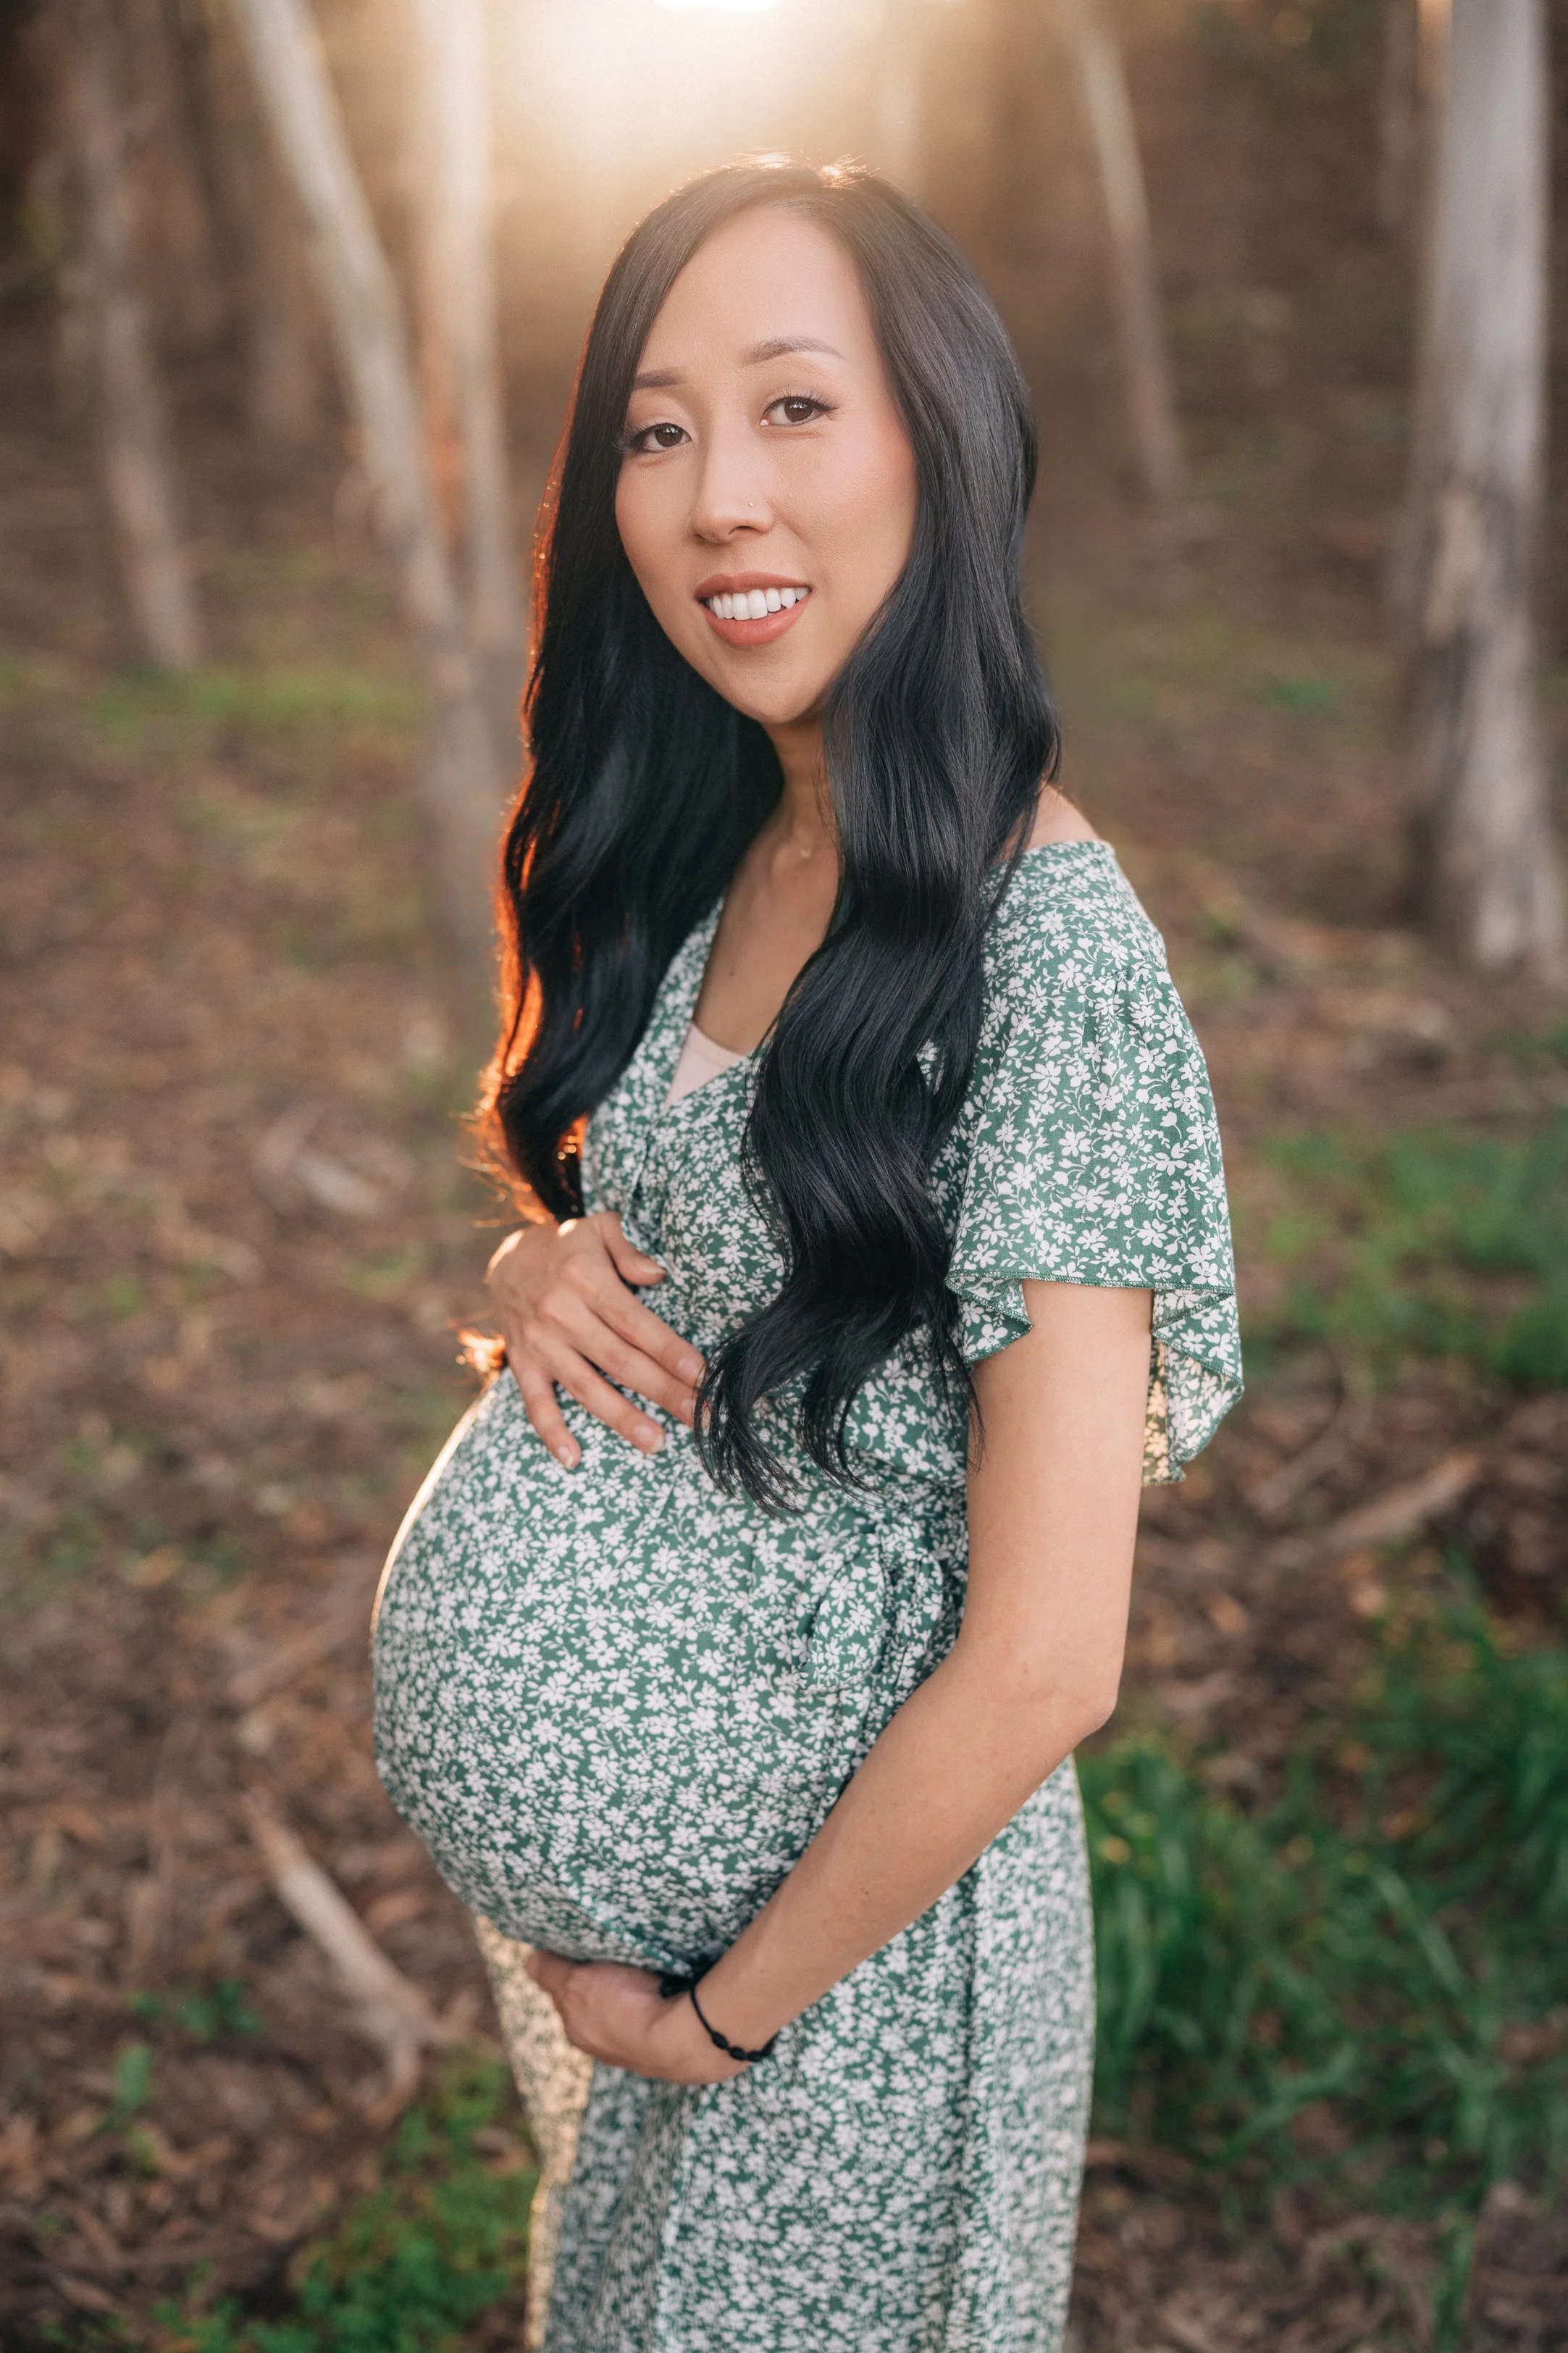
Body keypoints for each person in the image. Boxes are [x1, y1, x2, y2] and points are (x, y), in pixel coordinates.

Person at [372, 159, 1241, 2353]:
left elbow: (1051, 1656)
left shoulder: (1051, 968)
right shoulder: (737, 839)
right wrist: (522, 1279)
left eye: (792, 410)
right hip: (675, 1969)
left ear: (935, 451)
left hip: (845, 1979)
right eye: (657, 432)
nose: (716, 499)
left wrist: (728, 2020)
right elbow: (653, 1248)